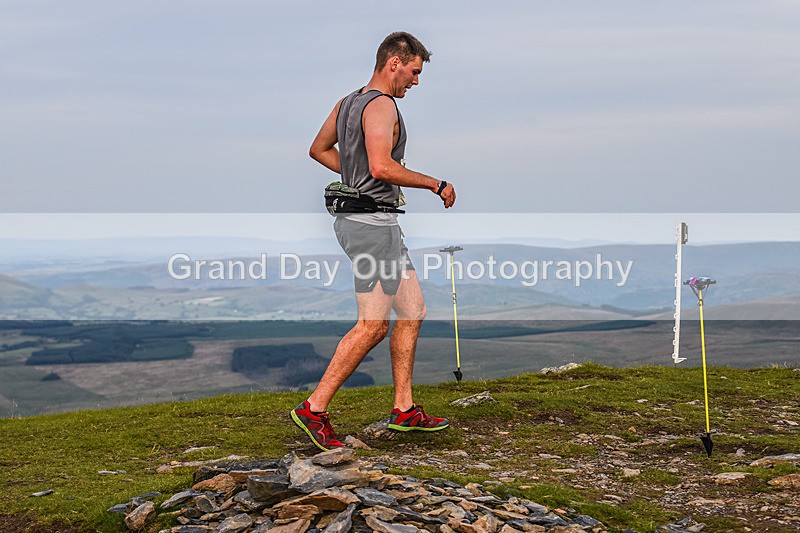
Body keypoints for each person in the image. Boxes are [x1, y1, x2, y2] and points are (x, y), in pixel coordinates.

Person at [291, 31, 457, 450]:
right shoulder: (382, 105)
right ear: (394, 63)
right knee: (373, 325)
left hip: (370, 221)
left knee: (413, 308)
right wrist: (435, 184)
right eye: (414, 72)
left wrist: (353, 178)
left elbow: (318, 149)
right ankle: (315, 408)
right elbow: (382, 167)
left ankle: (404, 408)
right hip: (371, 226)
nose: (416, 82)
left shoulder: (348, 102)